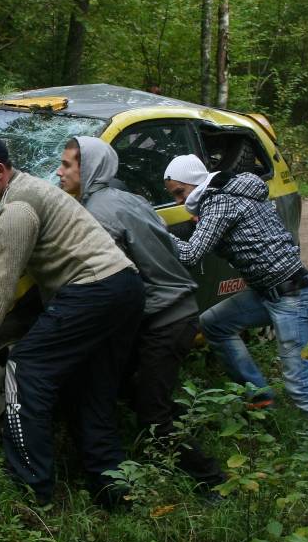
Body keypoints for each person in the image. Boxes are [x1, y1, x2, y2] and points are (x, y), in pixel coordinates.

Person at [0, 132, 144, 507]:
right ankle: (114, 493)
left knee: (26, 368)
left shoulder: (17, 207)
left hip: (93, 290)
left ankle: (29, 487)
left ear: (0, 171)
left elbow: (3, 285)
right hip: (125, 287)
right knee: (94, 390)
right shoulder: (33, 191)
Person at [58, 137, 224, 487]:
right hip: (170, 311)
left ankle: (210, 480)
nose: (60, 172)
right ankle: (184, 424)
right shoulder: (125, 198)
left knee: (152, 416)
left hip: (165, 318)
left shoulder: (97, 214)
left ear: (88, 168)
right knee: (128, 387)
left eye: (68, 165)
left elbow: (107, 282)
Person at [162, 154, 308, 453]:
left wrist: (153, 229)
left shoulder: (219, 202)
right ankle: (259, 395)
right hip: (269, 293)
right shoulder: (230, 194)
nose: (178, 201)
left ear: (194, 182)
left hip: (293, 296)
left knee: (302, 388)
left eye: (179, 192)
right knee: (214, 324)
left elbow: (190, 255)